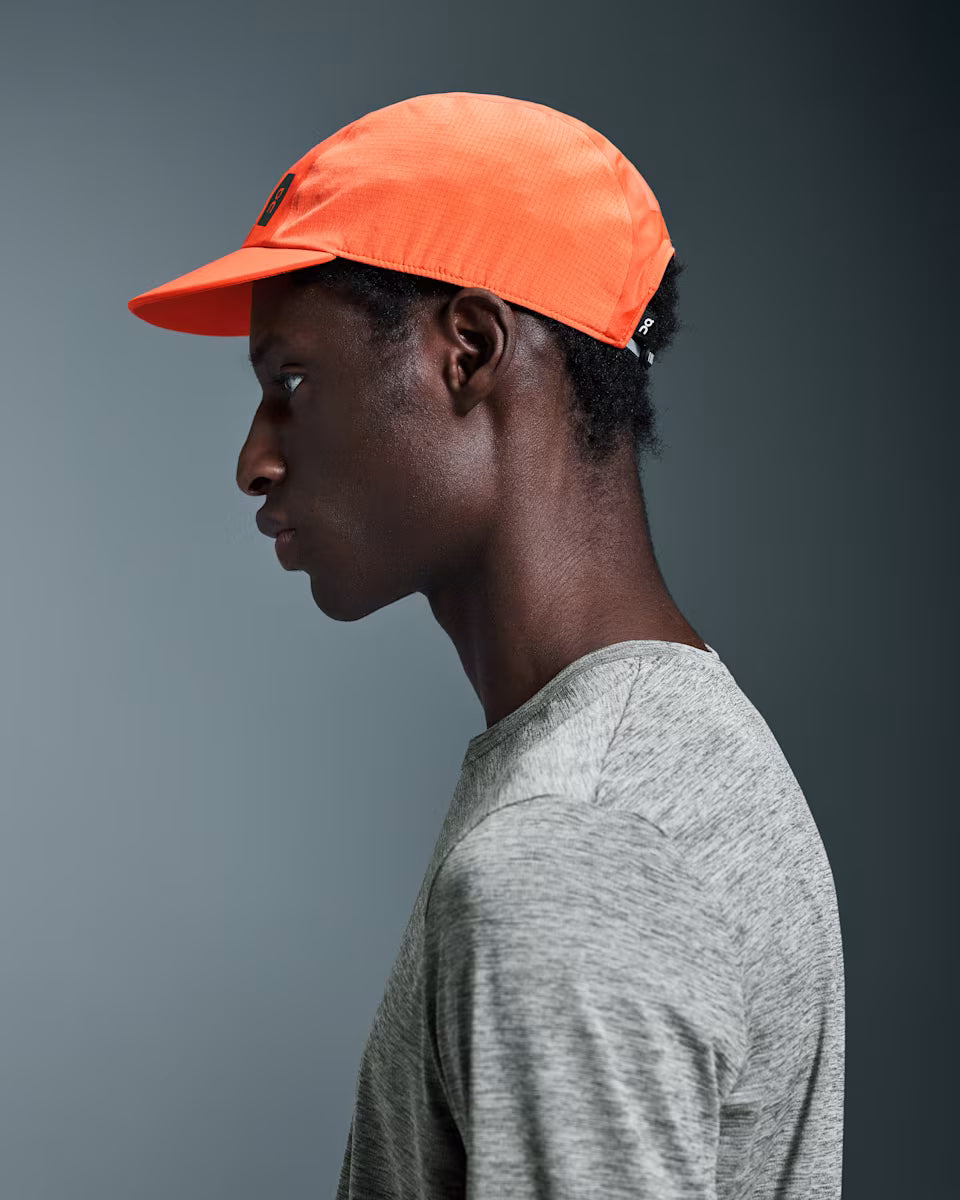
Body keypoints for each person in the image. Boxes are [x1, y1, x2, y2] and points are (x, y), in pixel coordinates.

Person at [128, 91, 844, 1199]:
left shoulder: (572, 849)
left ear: (468, 350)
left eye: (292, 383)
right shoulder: (670, 746)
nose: (254, 461)